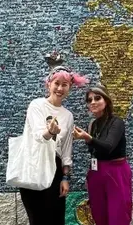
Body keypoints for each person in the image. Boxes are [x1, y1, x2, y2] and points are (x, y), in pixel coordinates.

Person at [19, 65, 89, 225]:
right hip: (33, 165)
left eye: (65, 85)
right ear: (49, 84)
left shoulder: (68, 116)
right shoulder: (36, 105)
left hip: (55, 168)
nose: (60, 88)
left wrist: (65, 178)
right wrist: (50, 132)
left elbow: (66, 150)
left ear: (69, 88)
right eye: (56, 83)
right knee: (37, 219)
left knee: (56, 218)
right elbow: (38, 136)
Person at [73, 84, 133, 225]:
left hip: (116, 172)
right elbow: (94, 151)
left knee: (118, 214)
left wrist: (88, 138)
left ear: (106, 100)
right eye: (89, 100)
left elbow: (108, 147)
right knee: (99, 214)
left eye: (97, 98)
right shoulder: (92, 125)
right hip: (96, 172)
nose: (93, 102)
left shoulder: (116, 122)